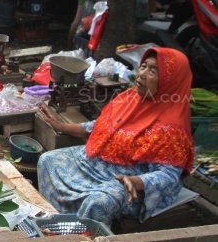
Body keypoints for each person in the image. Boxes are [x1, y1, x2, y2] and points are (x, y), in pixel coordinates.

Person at [37, 47, 195, 226]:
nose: (142, 74)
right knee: (48, 161)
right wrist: (62, 126)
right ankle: (54, 221)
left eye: (153, 71)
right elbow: (101, 126)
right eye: (143, 66)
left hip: (127, 180)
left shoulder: (171, 127)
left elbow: (169, 176)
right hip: (96, 163)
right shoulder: (129, 98)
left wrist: (136, 181)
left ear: (170, 81)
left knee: (99, 203)